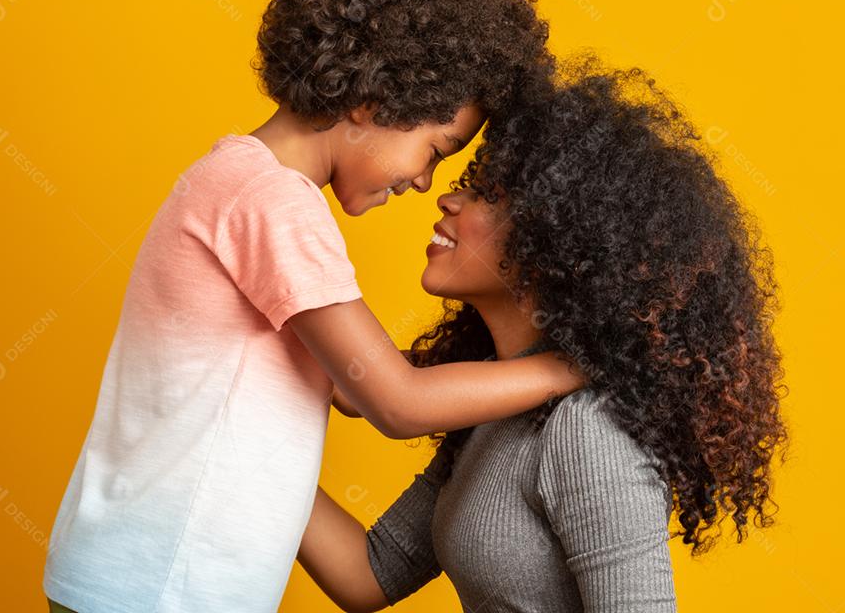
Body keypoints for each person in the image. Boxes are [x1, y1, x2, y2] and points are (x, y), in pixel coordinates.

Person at [43, 0, 583, 613]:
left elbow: (354, 391)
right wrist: (572, 367)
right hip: (163, 587)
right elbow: (395, 402)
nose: (425, 183)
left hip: (147, 581)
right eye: (437, 149)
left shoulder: (246, 188)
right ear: (377, 100)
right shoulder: (270, 201)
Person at [296, 59, 790, 612]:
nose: (446, 200)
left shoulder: (585, 427)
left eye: (486, 193)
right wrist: (248, 453)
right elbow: (372, 571)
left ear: (556, 239)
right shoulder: (494, 404)